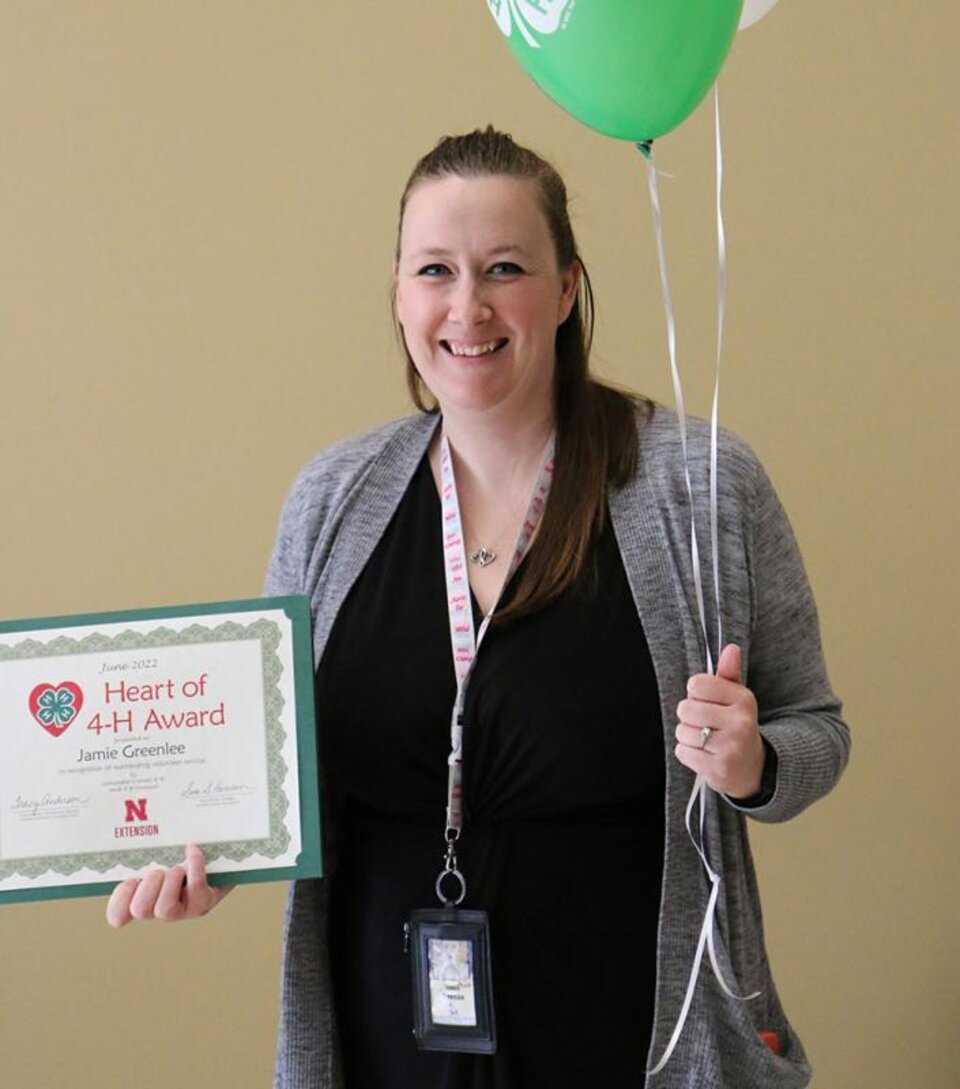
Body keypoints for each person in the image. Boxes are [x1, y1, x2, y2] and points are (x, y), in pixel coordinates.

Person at [107, 127, 850, 1088]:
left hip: (629, 1043)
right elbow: (263, 776)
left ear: (569, 287)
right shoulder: (332, 499)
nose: (468, 306)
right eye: (435, 270)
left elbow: (816, 732)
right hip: (385, 1045)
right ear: (399, 289)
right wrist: (205, 859)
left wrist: (755, 764)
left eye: (505, 267)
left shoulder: (699, 486)